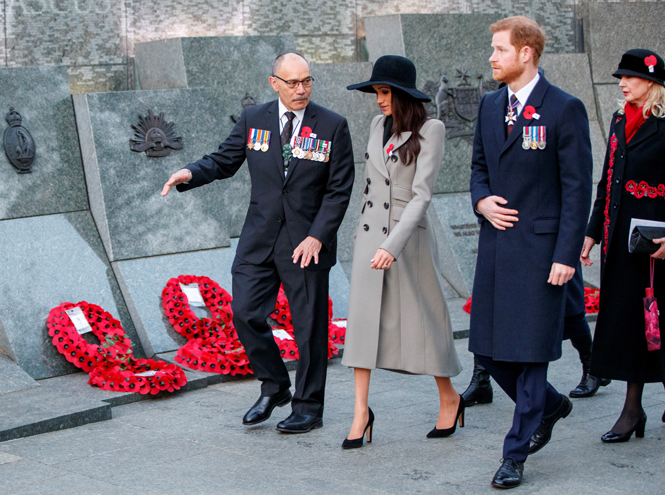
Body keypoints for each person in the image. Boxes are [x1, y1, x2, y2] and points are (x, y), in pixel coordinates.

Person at [161, 53, 355, 434]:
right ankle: (275, 384)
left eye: (307, 81)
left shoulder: (332, 125)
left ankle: (308, 407)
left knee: (309, 330)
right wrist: (189, 173)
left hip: (306, 244)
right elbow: (223, 161)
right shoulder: (254, 120)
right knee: (245, 313)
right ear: (274, 83)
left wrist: (318, 235)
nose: (301, 90)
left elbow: (339, 189)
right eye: (293, 82)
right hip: (259, 239)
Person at [469, 16, 592, 488]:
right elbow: (479, 168)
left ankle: (514, 453)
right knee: (490, 349)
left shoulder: (565, 108)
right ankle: (552, 404)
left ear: (526, 53)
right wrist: (480, 200)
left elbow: (576, 189)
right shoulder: (488, 105)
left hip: (543, 256)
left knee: (532, 352)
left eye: (500, 49)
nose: (492, 57)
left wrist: (565, 255)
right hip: (497, 250)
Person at [341, 55, 463, 450]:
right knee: (361, 325)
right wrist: (367, 243)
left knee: (423, 323)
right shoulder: (378, 125)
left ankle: (449, 397)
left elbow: (420, 197)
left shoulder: (432, 129)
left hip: (406, 241)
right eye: (376, 92)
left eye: (384, 92)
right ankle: (361, 412)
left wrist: (391, 246)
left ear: (402, 95)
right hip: (367, 236)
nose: (378, 100)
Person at [581, 48, 665, 443]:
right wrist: (592, 232)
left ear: (651, 82)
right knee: (633, 324)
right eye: (620, 77)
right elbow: (607, 181)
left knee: (659, 322)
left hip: (659, 246)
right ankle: (633, 410)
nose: (621, 83)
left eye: (629, 77)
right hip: (622, 245)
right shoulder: (618, 120)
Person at [462, 267, 611, 406]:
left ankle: (592, 367)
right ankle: (480, 379)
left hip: (548, 245)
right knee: (492, 303)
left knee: (567, 304)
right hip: (506, 244)